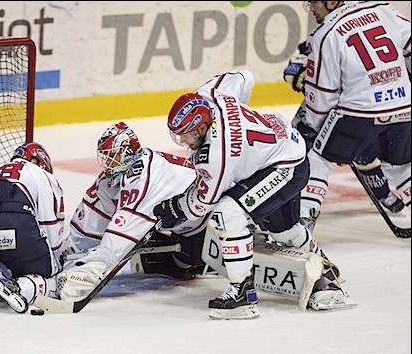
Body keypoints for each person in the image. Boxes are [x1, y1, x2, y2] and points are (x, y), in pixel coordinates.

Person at [153, 68, 355, 320]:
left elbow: (202, 203)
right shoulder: (212, 94)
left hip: (284, 166)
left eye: (186, 136)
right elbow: (244, 75)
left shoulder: (217, 155)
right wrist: (240, 123)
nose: (183, 142)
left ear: (203, 126)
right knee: (284, 229)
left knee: (227, 213)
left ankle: (241, 294)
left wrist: (176, 208)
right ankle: (324, 268)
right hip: (284, 150)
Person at [286, 1, 411, 230]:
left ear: (331, 2)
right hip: (403, 106)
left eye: (314, 3)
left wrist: (315, 126)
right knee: (399, 166)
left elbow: (323, 98)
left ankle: (302, 229)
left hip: (358, 114)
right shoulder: (382, 8)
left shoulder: (325, 34)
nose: (311, 9)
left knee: (317, 157)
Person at [55, 121, 211, 304]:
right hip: (180, 220)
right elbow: (95, 210)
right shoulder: (124, 170)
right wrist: (66, 249)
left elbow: (126, 225)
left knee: (187, 262)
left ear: (126, 153)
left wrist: (95, 267)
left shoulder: (142, 177)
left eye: (112, 155)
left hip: (205, 219)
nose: (108, 161)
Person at [0, 142, 67, 313]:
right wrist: (53, 262)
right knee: (51, 275)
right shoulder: (42, 174)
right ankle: (19, 288)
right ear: (39, 161)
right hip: (18, 226)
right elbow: (50, 222)